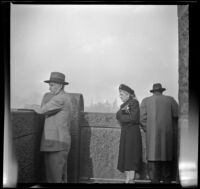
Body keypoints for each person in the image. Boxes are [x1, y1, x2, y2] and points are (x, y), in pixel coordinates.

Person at [33, 72, 72, 183]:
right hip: (59, 144)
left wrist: (28, 106)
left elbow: (41, 110)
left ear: (60, 85)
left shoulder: (60, 99)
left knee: (54, 179)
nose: (49, 88)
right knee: (60, 177)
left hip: (56, 145)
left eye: (52, 85)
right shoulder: (66, 97)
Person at [140, 83, 178, 184]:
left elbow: (142, 119)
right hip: (167, 139)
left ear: (153, 91)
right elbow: (177, 114)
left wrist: (149, 130)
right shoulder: (170, 100)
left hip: (152, 141)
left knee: (153, 174)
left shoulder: (145, 101)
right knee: (167, 174)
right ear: (162, 91)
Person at [116, 84, 142, 183]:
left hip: (132, 134)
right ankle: (128, 179)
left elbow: (133, 118)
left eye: (122, 94)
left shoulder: (133, 102)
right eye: (120, 94)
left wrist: (121, 117)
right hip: (127, 133)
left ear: (127, 95)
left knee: (131, 156)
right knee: (126, 156)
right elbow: (118, 114)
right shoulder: (126, 104)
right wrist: (122, 116)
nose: (120, 96)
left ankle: (130, 179)